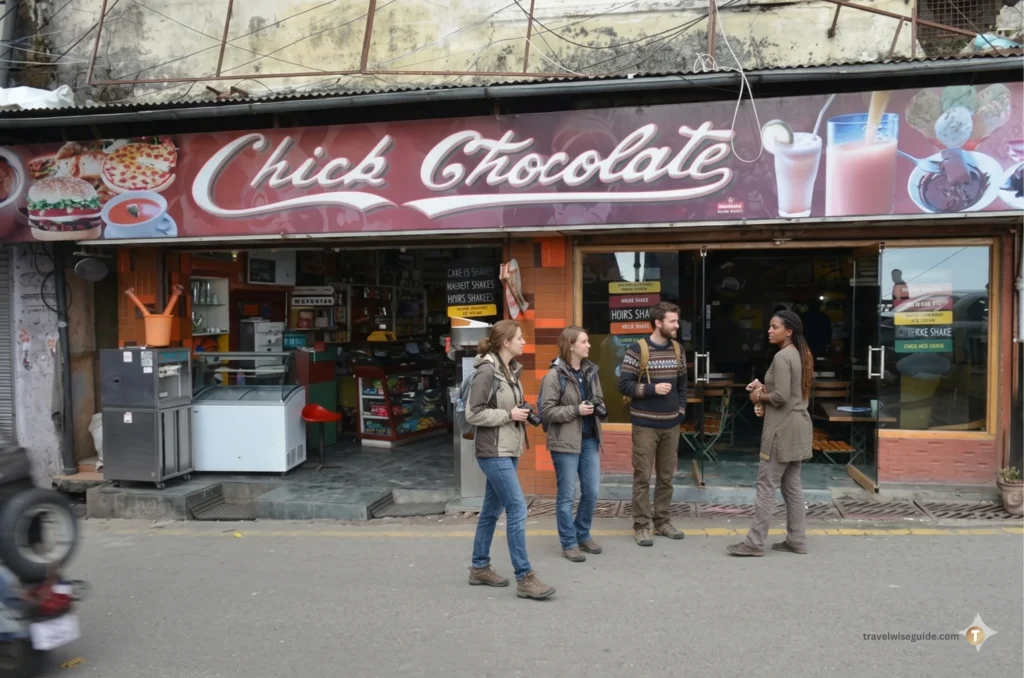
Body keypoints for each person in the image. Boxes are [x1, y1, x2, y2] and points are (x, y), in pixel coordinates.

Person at [466, 320, 555, 600]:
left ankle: (479, 567)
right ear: (506, 342)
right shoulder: (487, 372)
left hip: (508, 449)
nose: (524, 342)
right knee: (517, 509)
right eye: (519, 338)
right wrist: (509, 415)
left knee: (491, 511)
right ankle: (525, 577)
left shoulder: (509, 370)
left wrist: (520, 411)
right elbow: (473, 414)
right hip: (493, 451)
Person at [727, 310, 814, 557]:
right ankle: (797, 540)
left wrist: (758, 395)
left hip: (781, 431)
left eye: (775, 327)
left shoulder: (782, 357)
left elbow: (781, 397)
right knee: (792, 487)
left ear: (789, 331)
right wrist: (766, 387)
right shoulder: (801, 355)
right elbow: (792, 392)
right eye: (769, 326)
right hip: (798, 427)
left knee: (766, 485)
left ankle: (754, 543)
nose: (769, 330)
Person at [618, 301, 688, 547]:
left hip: (672, 425)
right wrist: (652, 389)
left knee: (667, 477)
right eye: (672, 321)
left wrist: (681, 411)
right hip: (645, 425)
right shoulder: (637, 350)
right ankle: (641, 526)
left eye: (677, 321)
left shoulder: (678, 350)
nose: (676, 325)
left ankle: (662, 522)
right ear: (658, 323)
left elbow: (682, 385)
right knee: (642, 477)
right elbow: (624, 385)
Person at [539, 326, 607, 563]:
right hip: (565, 442)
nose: (589, 345)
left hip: (589, 439)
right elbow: (546, 411)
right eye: (584, 341)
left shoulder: (591, 371)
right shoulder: (554, 375)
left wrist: (597, 405)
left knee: (592, 491)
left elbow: (598, 397)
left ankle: (583, 534)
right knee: (566, 495)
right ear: (570, 346)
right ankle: (569, 542)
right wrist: (575, 410)